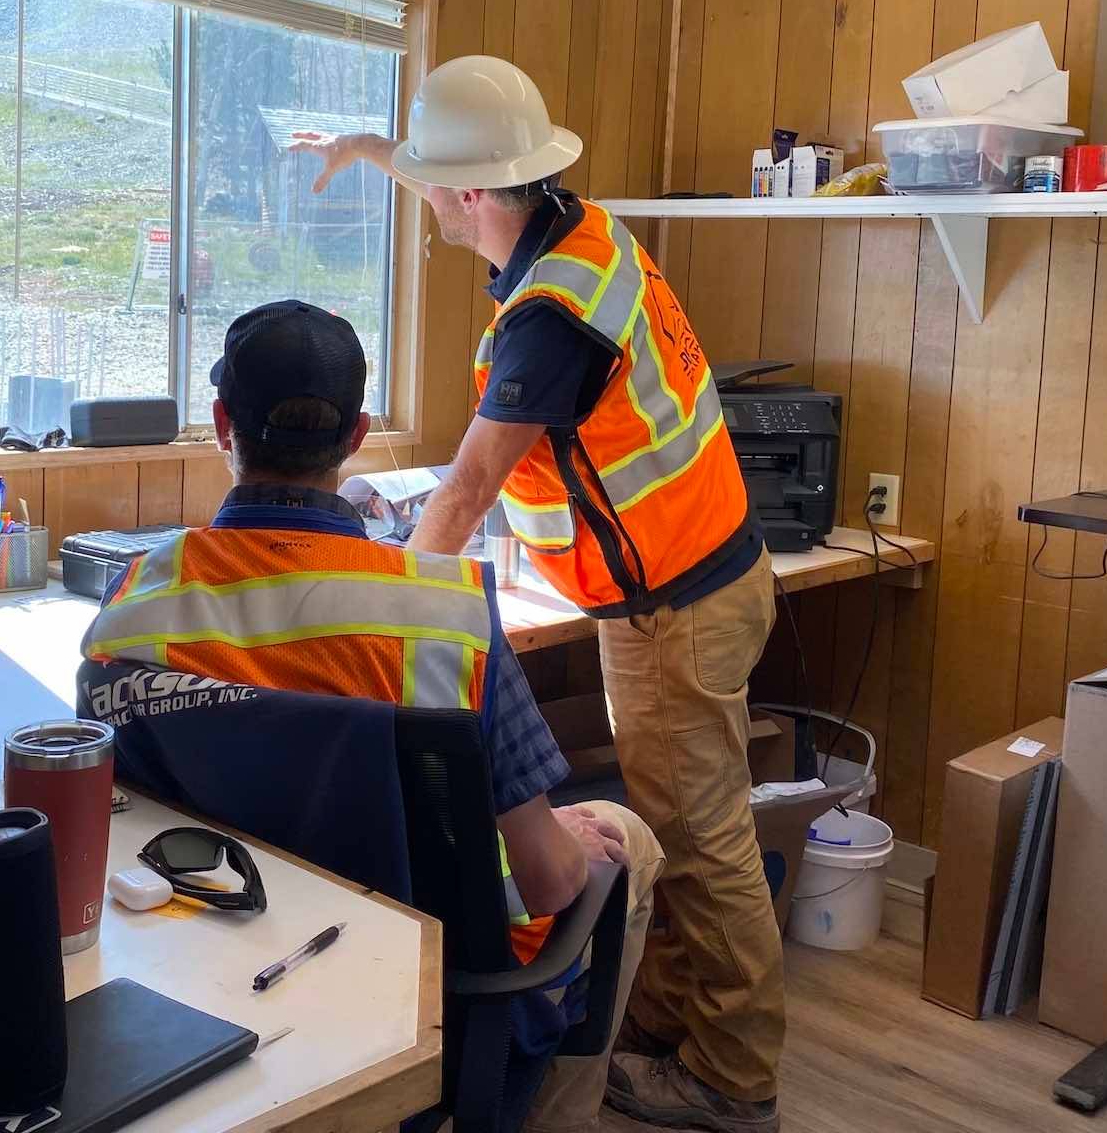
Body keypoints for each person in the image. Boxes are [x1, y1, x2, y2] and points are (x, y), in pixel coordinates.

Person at [292, 56, 783, 1133]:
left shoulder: (548, 320)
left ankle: (733, 1082)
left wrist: (395, 609)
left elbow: (468, 486)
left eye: (431, 183)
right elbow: (455, 170)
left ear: (473, 195)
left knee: (702, 845)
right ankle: (652, 1028)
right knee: (670, 827)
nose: (425, 202)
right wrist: (364, 150)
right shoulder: (579, 230)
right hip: (698, 577)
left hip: (674, 610)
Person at [80, 299, 666, 1133]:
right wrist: (569, 841)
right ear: (357, 436)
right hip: (425, 1001)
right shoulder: (444, 617)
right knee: (621, 836)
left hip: (204, 979)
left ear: (221, 425)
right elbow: (548, 881)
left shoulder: (135, 597)